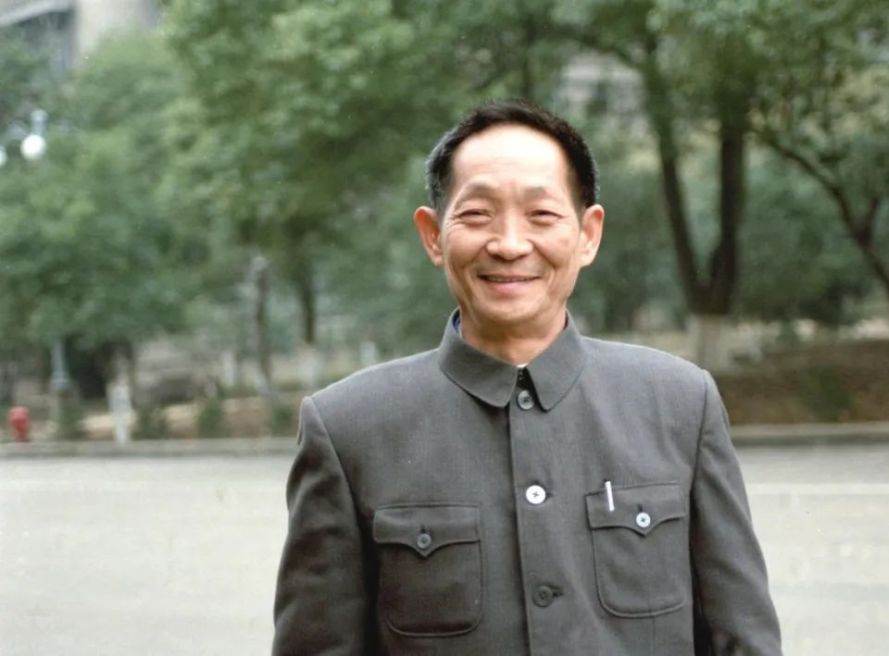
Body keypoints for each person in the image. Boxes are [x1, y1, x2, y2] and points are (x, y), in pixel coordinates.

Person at [272, 99, 782, 656]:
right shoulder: (349, 429)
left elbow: (743, 639)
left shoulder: (680, 405)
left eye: (541, 215)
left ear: (588, 234)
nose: (510, 244)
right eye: (477, 214)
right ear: (433, 235)